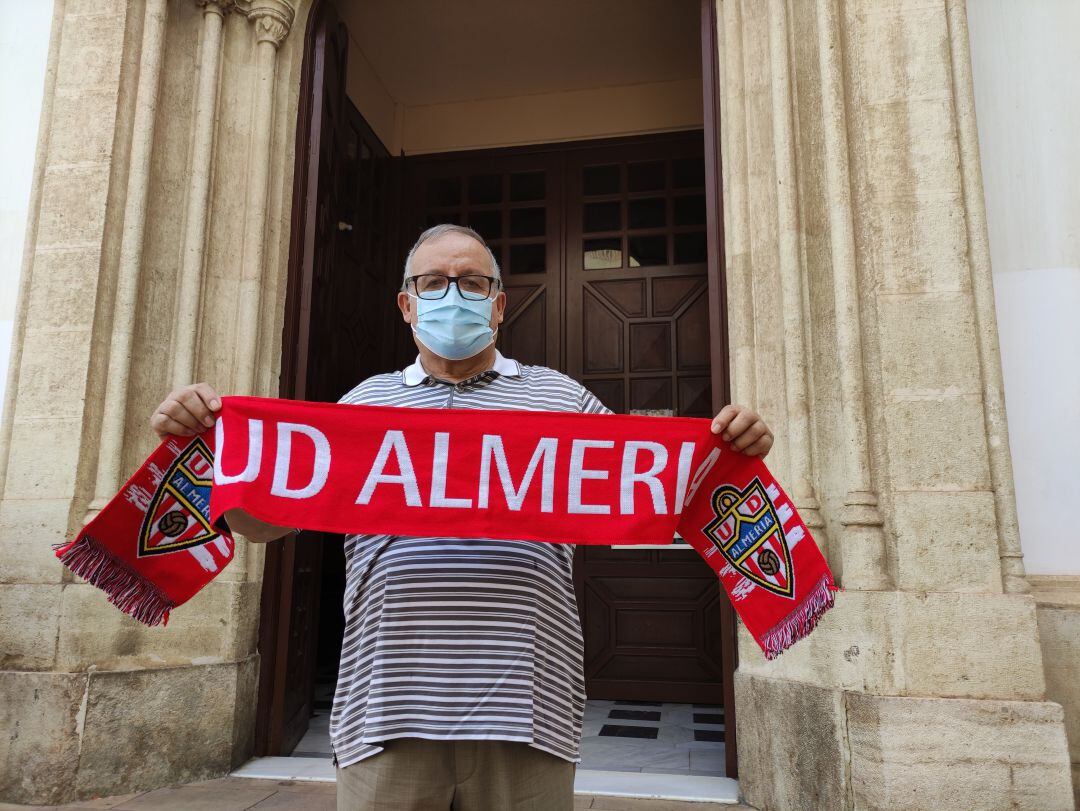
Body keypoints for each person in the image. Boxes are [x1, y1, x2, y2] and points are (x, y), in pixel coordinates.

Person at [150, 224, 774, 811]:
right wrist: (211, 447)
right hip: (386, 709)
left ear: (499, 305)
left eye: (474, 282)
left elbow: (659, 494)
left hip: (527, 714)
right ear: (407, 304)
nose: (455, 295)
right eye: (434, 282)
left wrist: (729, 451)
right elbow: (265, 522)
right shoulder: (363, 405)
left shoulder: (561, 400)